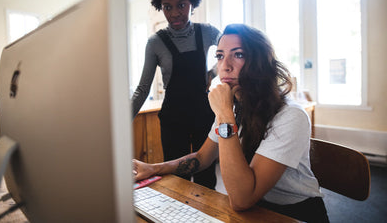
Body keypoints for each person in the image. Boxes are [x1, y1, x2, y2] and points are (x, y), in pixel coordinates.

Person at [133, 24, 330, 222]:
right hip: (252, 209)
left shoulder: (290, 115)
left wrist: (225, 114)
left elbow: (242, 199)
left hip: (293, 214)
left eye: (238, 54)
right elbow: (203, 158)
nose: (225, 66)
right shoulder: (234, 106)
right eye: (220, 56)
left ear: (261, 62)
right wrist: (154, 168)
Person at [131, 0, 220, 189]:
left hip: (204, 115)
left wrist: (212, 73)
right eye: (167, 7)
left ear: (192, 2)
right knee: (175, 182)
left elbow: (228, 55)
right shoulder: (155, 43)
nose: (174, 13)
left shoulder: (208, 32)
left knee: (206, 179)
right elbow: (142, 89)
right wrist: (121, 124)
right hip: (173, 121)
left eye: (181, 5)